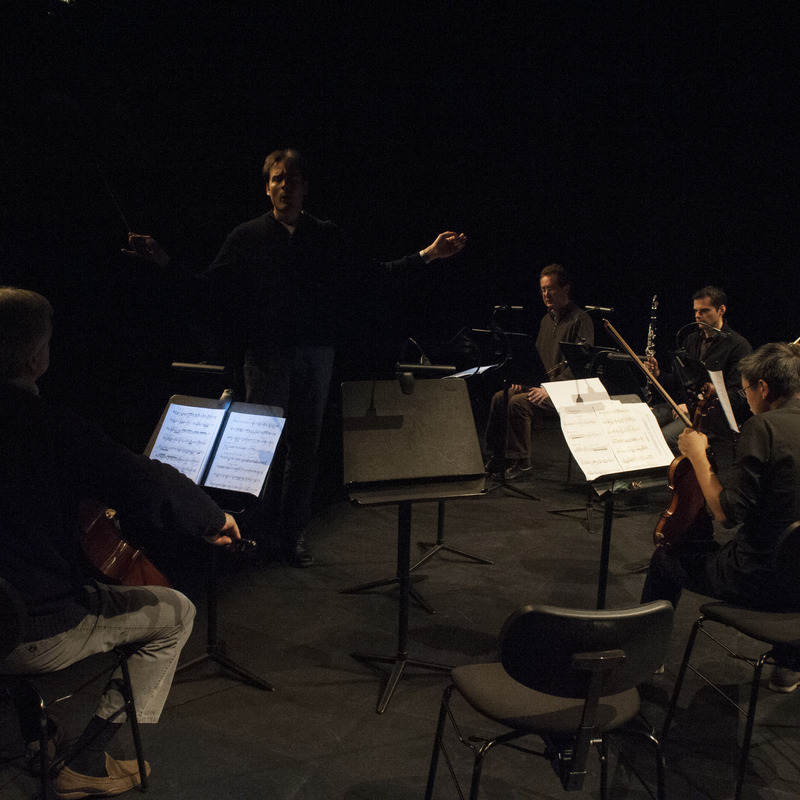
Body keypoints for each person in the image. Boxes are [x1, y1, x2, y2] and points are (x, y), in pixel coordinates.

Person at [125, 148, 466, 568]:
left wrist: (428, 254)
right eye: (278, 179)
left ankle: (292, 535)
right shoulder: (246, 236)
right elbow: (207, 289)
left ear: (306, 188)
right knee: (261, 452)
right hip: (265, 358)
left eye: (294, 179)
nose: (286, 186)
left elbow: (373, 275)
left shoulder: (325, 235)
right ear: (267, 187)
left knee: (305, 450)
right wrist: (163, 263)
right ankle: (254, 533)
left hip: (316, 357)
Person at [0, 287, 242, 798]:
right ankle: (83, 763)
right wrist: (211, 516)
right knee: (174, 614)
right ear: (36, 357)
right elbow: (139, 478)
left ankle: (27, 735)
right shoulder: (48, 425)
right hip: (31, 630)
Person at [641, 341, 800, 692]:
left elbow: (727, 514)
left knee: (665, 559)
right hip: (797, 582)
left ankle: (643, 656)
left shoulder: (765, 428)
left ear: (764, 388)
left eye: (746, 390)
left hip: (757, 581)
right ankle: (789, 662)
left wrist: (698, 455)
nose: (745, 399)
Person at [483, 263, 594, 481]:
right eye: (543, 289)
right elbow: (537, 362)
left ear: (565, 288)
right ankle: (497, 456)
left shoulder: (581, 320)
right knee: (500, 397)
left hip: (569, 393)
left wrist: (550, 390)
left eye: (551, 288)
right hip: (544, 387)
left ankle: (521, 462)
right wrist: (524, 379)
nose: (546, 294)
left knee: (518, 403)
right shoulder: (546, 320)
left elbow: (581, 367)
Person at [646, 285, 752, 469]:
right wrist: (658, 374)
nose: (697, 315)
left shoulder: (738, 346)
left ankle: (679, 483)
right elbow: (679, 382)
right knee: (645, 422)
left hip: (713, 418)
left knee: (665, 438)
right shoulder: (691, 340)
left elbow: (737, 395)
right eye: (696, 311)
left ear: (721, 310)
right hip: (685, 408)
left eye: (704, 311)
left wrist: (693, 406)